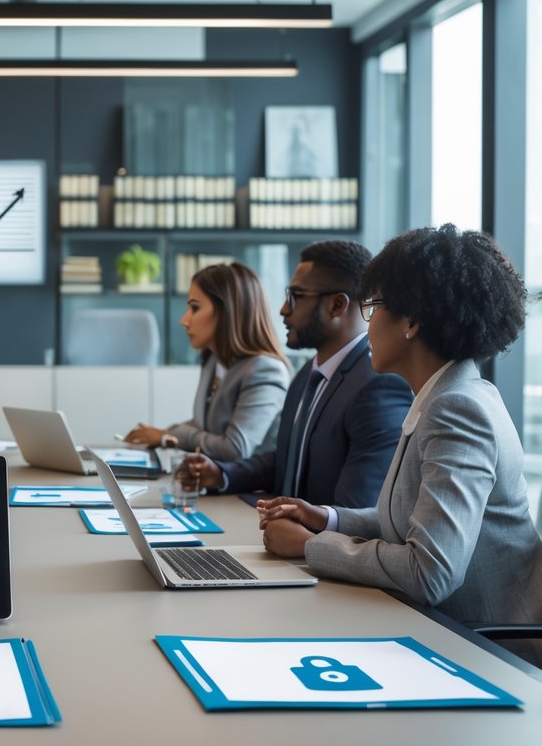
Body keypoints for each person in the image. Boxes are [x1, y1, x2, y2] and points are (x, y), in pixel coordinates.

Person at [259, 225, 542, 666]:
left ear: (410, 321)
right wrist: (329, 520)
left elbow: (430, 572)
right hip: (431, 631)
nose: (365, 325)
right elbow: (412, 521)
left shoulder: (458, 410)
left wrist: (309, 546)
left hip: (480, 653)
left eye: (372, 307)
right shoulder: (442, 398)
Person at [175, 241, 412, 507]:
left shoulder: (377, 386)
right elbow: (288, 460)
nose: (283, 310)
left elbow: (358, 510)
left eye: (295, 297)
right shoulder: (307, 376)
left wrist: (301, 534)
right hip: (279, 535)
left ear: (336, 306)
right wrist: (222, 475)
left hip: (315, 545)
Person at [122, 262, 290, 461]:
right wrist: (163, 433)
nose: (184, 320)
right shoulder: (213, 360)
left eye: (195, 308)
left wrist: (169, 436)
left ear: (227, 311)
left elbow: (234, 449)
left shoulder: (265, 370)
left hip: (250, 489)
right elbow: (205, 426)